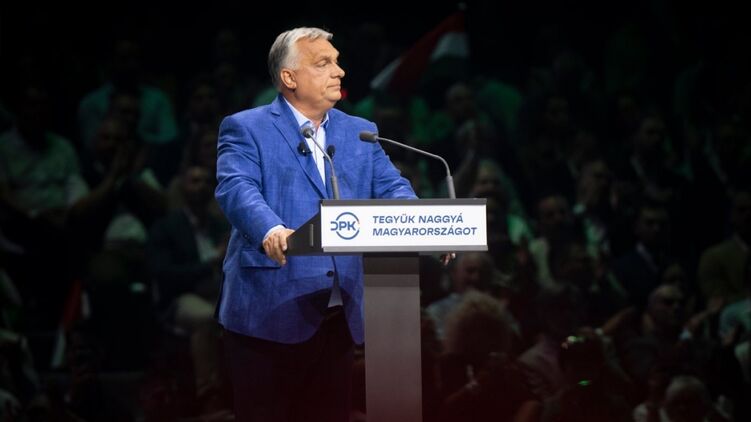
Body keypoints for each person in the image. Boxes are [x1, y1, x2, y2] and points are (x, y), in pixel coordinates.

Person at [214, 27, 417, 422]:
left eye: (337, 61)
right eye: (323, 63)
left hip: (338, 317)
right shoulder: (246, 127)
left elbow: (394, 188)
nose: (339, 71)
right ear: (289, 77)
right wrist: (271, 230)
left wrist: (425, 225)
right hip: (267, 314)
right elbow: (237, 188)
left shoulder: (359, 132)